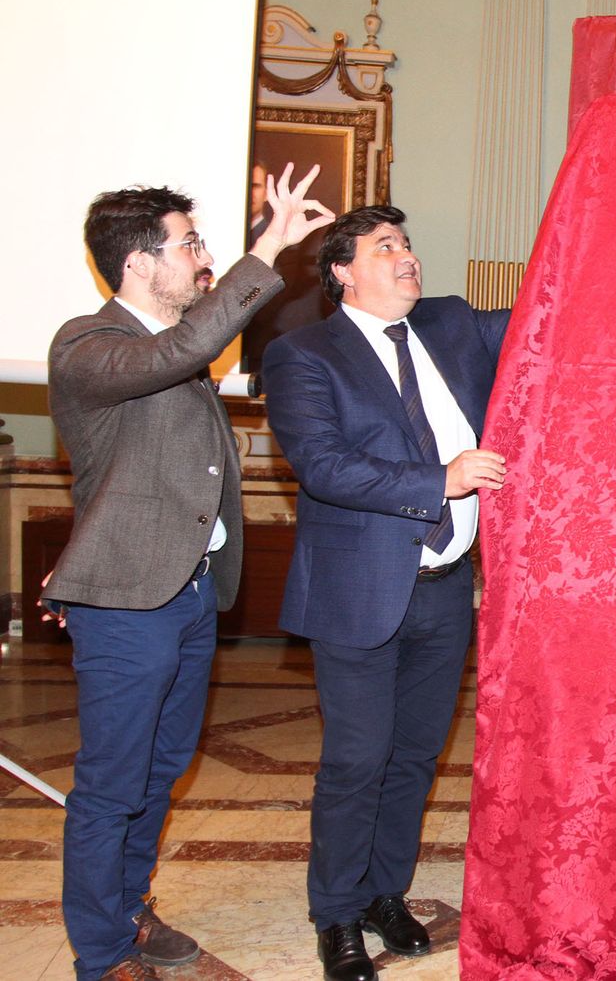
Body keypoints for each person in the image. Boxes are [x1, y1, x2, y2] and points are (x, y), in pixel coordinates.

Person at [45, 168, 333, 981]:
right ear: (138, 264)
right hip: (128, 599)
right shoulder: (86, 343)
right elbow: (188, 345)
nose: (202, 259)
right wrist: (268, 246)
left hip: (192, 590)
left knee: (162, 770)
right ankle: (99, 954)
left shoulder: (170, 349)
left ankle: (129, 908)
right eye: (190, 244)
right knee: (111, 782)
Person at [259, 205, 512, 981]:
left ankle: (382, 893)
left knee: (412, 758)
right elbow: (323, 464)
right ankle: (335, 915)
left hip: (442, 593)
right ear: (342, 271)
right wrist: (439, 479)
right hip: (359, 589)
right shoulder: (302, 354)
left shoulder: (452, 324)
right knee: (357, 760)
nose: (407, 257)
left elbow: (552, 313)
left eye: (407, 244)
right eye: (386, 247)